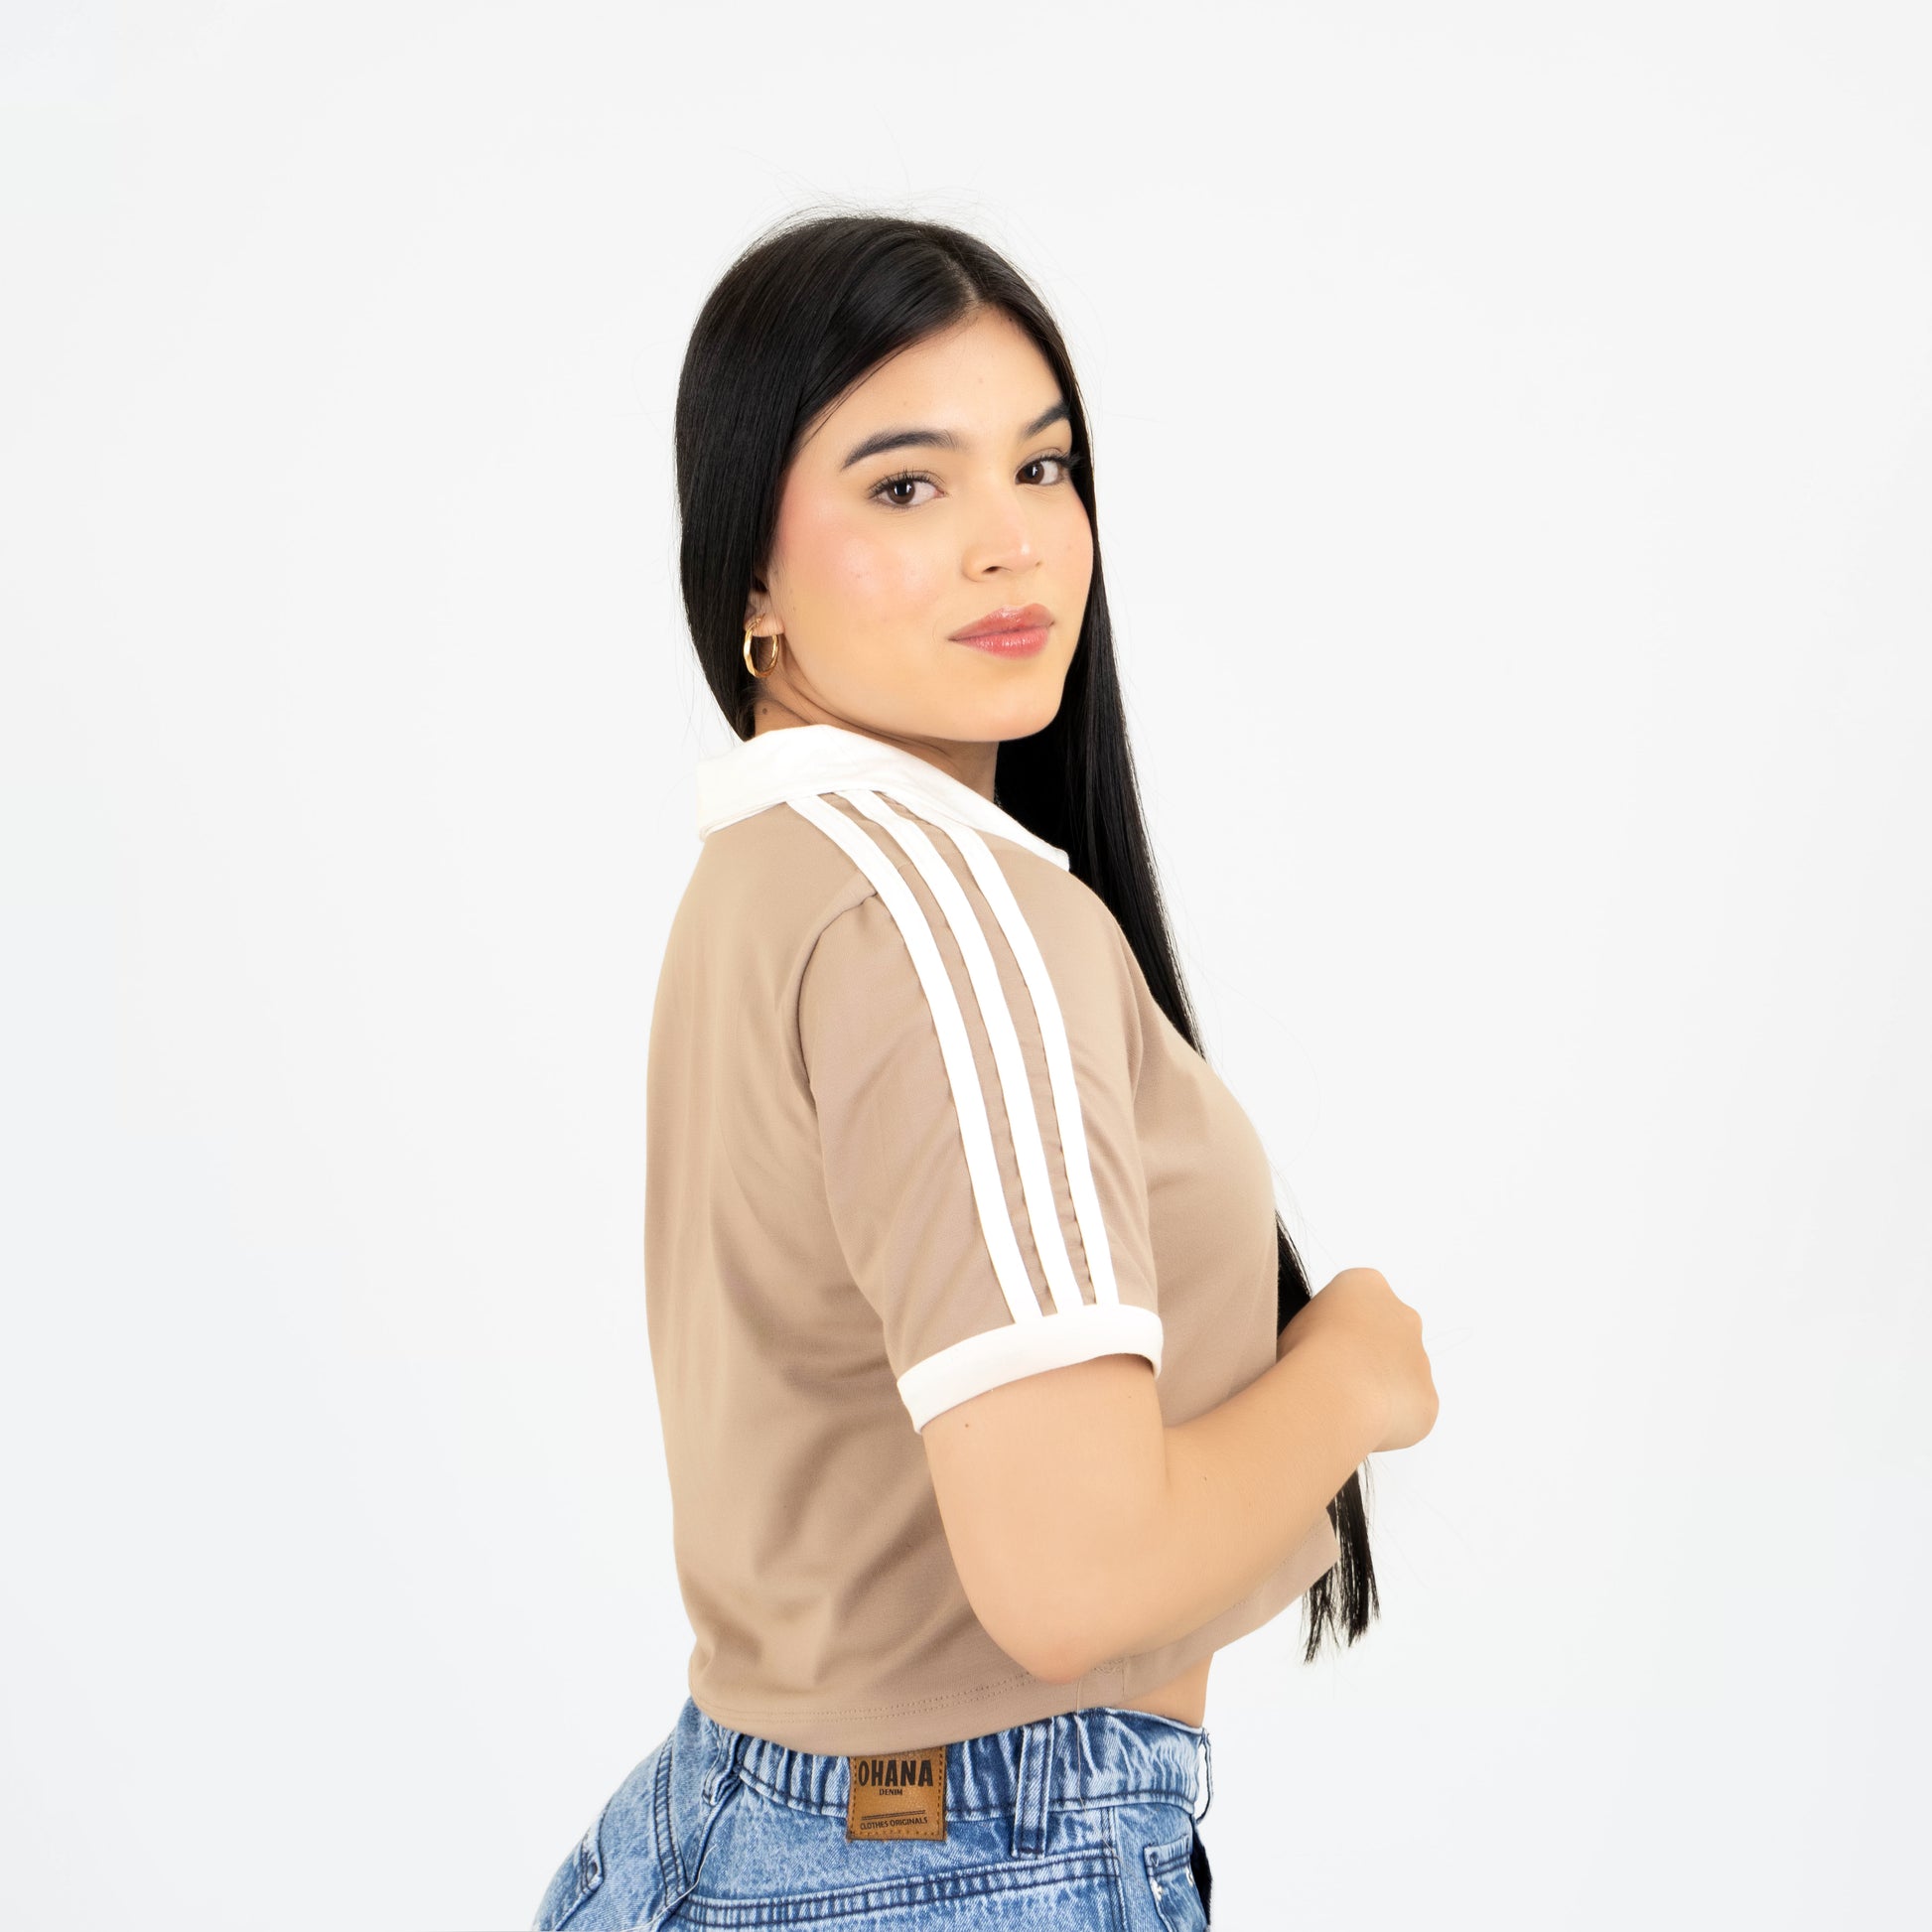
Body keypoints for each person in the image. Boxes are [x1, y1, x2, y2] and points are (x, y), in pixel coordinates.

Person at [530, 209, 1439, 1931]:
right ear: (747, 580)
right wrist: (1353, 1373)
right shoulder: (939, 912)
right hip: (959, 1859)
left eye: (1042, 466)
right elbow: (1072, 1578)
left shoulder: (780, 875)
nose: (1010, 541)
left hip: (779, 1826)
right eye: (904, 486)